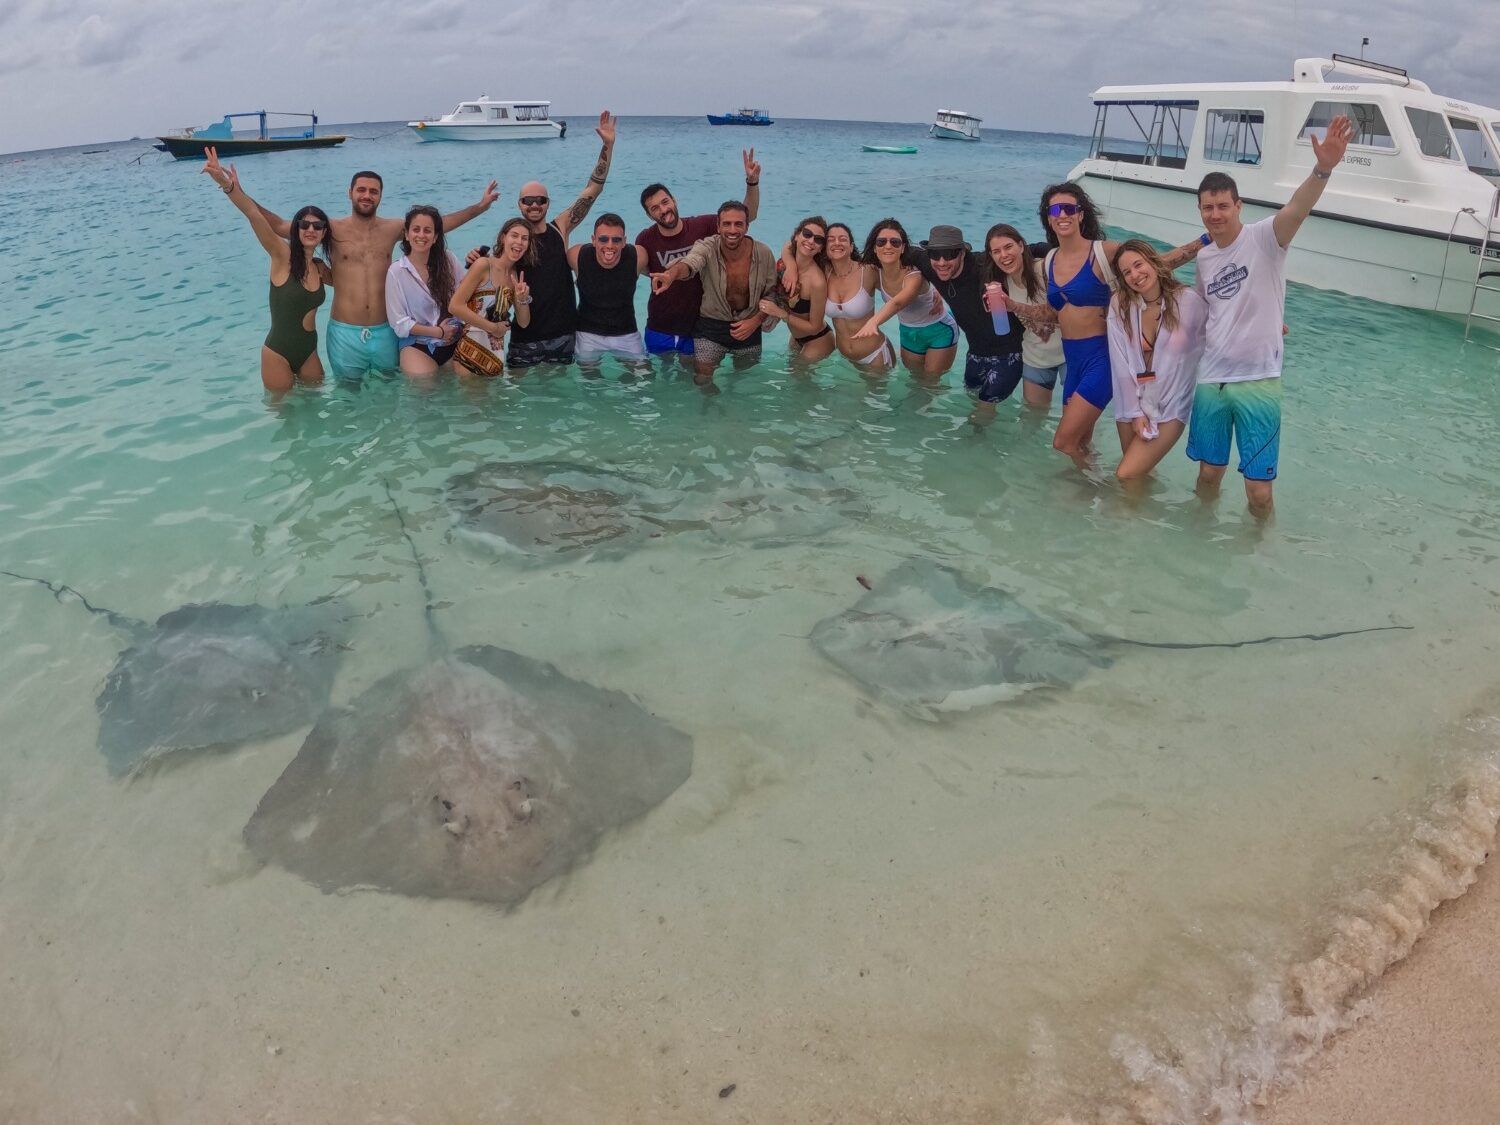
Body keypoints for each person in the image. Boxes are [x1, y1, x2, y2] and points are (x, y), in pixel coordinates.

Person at [1186, 115, 1354, 518]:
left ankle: (1260, 557)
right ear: (1200, 210)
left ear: (1238, 205)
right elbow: (1205, 313)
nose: (1215, 214)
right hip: (1211, 380)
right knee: (1208, 474)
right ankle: (1196, 546)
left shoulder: (1265, 238)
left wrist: (1323, 168)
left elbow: (1298, 207)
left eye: (1223, 205)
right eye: (1207, 207)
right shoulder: (1205, 258)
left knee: (1258, 491)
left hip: (1259, 382)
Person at [221, 154, 497, 381]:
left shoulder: (392, 229)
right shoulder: (331, 228)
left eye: (373, 191)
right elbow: (281, 226)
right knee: (348, 398)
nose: (367, 195)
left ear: (380, 196)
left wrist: (480, 207)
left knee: (390, 393)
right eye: (361, 190)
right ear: (350, 193)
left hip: (385, 331)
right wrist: (238, 192)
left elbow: (436, 225)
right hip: (344, 331)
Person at [997, 182, 1208, 465]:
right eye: (1055, 210)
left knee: (1063, 441)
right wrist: (1012, 306)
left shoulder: (1103, 252)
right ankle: (1089, 497)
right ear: (1048, 217)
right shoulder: (1049, 261)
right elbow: (1053, 312)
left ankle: (1100, 485)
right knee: (1081, 441)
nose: (1063, 215)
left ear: (1081, 214)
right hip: (1073, 362)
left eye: (1069, 208)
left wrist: (1205, 241)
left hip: (1101, 359)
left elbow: (1154, 264)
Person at [200, 148, 332, 392]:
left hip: (309, 351)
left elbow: (355, 277)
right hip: (277, 352)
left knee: (317, 412)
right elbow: (253, 215)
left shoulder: (320, 268)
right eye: (304, 224)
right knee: (284, 420)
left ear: (324, 233)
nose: (310, 229)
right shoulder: (281, 255)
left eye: (318, 225)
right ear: (296, 229)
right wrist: (227, 184)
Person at [504, 111, 618, 368]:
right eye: (528, 200)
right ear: (519, 204)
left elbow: (594, 188)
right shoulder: (512, 241)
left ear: (548, 204)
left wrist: (607, 146)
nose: (534, 205)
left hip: (563, 335)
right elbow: (493, 273)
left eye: (540, 200)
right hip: (524, 338)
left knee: (559, 404)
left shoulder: (560, 228)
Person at [636, 151, 762, 357]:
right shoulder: (645, 239)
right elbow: (644, 271)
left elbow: (747, 216)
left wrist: (752, 183)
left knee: (691, 382)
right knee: (658, 383)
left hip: (696, 327)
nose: (663, 209)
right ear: (649, 214)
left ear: (674, 200)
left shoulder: (702, 226)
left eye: (665, 202)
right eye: (655, 208)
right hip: (659, 325)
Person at [1107, 240, 1207, 482]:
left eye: (1138, 265)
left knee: (1126, 474)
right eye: (1126, 272)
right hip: (1131, 402)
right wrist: (1134, 412)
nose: (1135, 275)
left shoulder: (1188, 300)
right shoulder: (1120, 304)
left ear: (1153, 262)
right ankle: (1138, 519)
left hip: (1171, 404)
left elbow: (1222, 326)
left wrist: (1263, 327)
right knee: (1138, 476)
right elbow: (1120, 362)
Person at [650, 200, 778, 385]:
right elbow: (691, 262)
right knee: (702, 377)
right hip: (710, 328)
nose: (732, 230)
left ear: (747, 227)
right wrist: (671, 275)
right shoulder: (708, 246)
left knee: (745, 379)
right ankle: (711, 409)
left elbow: (772, 293)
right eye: (726, 224)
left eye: (738, 224)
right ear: (718, 226)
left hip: (749, 327)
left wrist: (756, 321)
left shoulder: (763, 253)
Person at [913, 224, 1024, 405]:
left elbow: (1032, 250)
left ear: (963, 253)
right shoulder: (929, 264)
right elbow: (896, 248)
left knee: (983, 411)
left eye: (950, 254)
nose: (941, 262)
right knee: (971, 398)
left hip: (1010, 353)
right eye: (935, 254)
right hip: (975, 354)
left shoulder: (984, 265)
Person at [855, 219, 958, 382]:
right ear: (874, 248)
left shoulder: (913, 275)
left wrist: (873, 322)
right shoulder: (875, 273)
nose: (888, 246)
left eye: (895, 242)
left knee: (931, 383)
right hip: (908, 333)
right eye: (881, 242)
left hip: (940, 330)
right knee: (914, 380)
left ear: (903, 248)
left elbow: (897, 303)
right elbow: (849, 268)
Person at [982, 225, 1064, 409]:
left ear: (1021, 246)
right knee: (1031, 421)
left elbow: (1061, 313)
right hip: (1036, 357)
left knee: (1079, 424)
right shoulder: (1001, 282)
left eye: (1008, 247)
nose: (1003, 255)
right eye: (996, 251)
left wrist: (1013, 306)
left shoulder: (1045, 269)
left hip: (1070, 355)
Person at [448, 218, 534, 376]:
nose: (519, 242)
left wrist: (522, 299)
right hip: (469, 354)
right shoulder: (483, 265)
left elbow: (523, 322)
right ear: (503, 238)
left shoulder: (515, 275)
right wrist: (493, 328)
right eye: (514, 236)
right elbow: (455, 306)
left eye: (524, 238)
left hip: (496, 357)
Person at [386, 206, 464, 376]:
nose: (421, 235)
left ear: (435, 237)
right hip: (417, 344)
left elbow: (464, 295)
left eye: (427, 231)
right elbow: (399, 323)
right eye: (416, 229)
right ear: (406, 234)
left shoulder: (449, 260)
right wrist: (438, 332)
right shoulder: (396, 272)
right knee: (424, 387)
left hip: (454, 340)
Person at [566, 213, 650, 370]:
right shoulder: (576, 255)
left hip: (627, 333)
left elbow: (658, 271)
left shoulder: (638, 256)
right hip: (587, 333)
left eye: (616, 240)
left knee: (642, 380)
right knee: (590, 384)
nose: (610, 245)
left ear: (624, 241)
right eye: (603, 239)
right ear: (593, 240)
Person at [821, 222, 895, 372]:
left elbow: (897, 288)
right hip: (846, 359)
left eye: (842, 239)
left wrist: (931, 294)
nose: (837, 243)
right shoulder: (824, 273)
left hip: (876, 355)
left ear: (851, 246)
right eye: (831, 239)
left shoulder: (867, 271)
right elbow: (794, 247)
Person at [759, 217, 835, 362]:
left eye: (818, 240)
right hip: (796, 337)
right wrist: (792, 268)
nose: (811, 241)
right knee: (793, 381)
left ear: (821, 248)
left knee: (799, 380)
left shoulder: (817, 282)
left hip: (818, 340)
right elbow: (787, 246)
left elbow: (814, 326)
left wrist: (781, 313)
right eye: (807, 234)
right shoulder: (789, 256)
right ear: (796, 236)